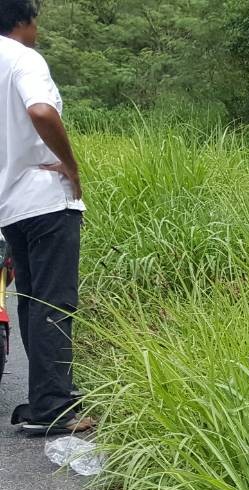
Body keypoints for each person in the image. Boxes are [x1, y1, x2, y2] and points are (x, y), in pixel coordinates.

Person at [0, 0, 89, 436]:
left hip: (10, 206)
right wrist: (70, 166)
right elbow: (40, 110)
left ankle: (46, 401)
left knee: (34, 303)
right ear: (21, 20)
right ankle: (54, 409)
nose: (37, 28)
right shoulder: (23, 57)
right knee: (54, 302)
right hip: (45, 200)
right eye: (35, 19)